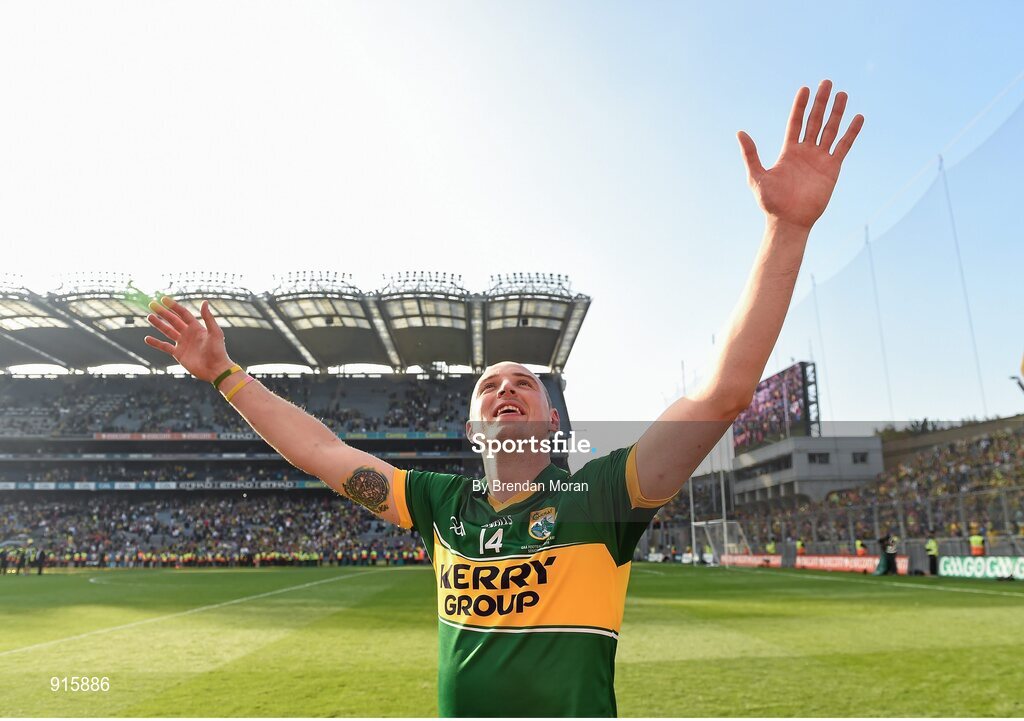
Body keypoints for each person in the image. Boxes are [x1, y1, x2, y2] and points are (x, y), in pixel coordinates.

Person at [142, 79, 862, 717]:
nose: (508, 387)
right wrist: (226, 376)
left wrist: (786, 228)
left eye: (526, 382)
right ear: (473, 425)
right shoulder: (438, 506)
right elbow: (323, 452)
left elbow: (726, 392)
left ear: (551, 421)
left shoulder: (605, 493)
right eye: (491, 384)